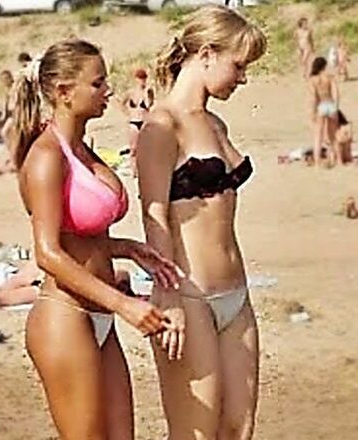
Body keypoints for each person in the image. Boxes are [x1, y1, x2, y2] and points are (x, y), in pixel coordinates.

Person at [13, 38, 183, 439]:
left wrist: (125, 247)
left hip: (100, 317)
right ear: (64, 92)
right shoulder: (47, 156)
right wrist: (123, 304)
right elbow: (47, 253)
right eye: (98, 83)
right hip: (64, 317)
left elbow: (81, 236)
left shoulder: (84, 150)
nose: (108, 90)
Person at [138, 6, 266, 439]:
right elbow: (154, 214)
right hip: (189, 296)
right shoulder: (162, 124)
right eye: (239, 65)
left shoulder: (215, 123)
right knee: (195, 433)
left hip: (236, 295)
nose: (242, 78)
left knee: (238, 429)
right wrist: (169, 296)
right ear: (207, 53)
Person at [120, 68, 155, 176]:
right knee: (133, 148)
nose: (142, 81)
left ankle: (145, 170)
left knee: (146, 148)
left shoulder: (148, 91)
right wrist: (128, 113)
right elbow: (122, 103)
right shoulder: (131, 93)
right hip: (134, 121)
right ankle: (134, 170)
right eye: (140, 79)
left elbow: (150, 105)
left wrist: (146, 95)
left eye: (144, 79)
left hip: (144, 121)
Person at [309, 56, 341, 167]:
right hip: (330, 104)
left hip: (321, 106)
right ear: (324, 66)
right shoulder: (329, 78)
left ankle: (317, 161)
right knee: (333, 135)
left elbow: (314, 97)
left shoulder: (313, 80)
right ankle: (337, 159)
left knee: (318, 135)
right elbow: (336, 93)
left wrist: (313, 111)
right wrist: (336, 107)